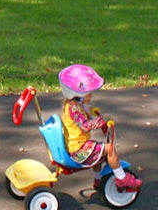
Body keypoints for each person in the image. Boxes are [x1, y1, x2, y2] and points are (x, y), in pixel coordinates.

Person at [59, 63, 143, 191]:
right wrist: (102, 120)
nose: (91, 95)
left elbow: (85, 109)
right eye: (88, 93)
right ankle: (121, 178)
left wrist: (92, 110)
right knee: (109, 149)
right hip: (78, 150)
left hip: (76, 146)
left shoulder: (71, 104)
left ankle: (98, 179)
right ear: (78, 93)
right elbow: (85, 126)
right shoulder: (74, 108)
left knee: (98, 151)